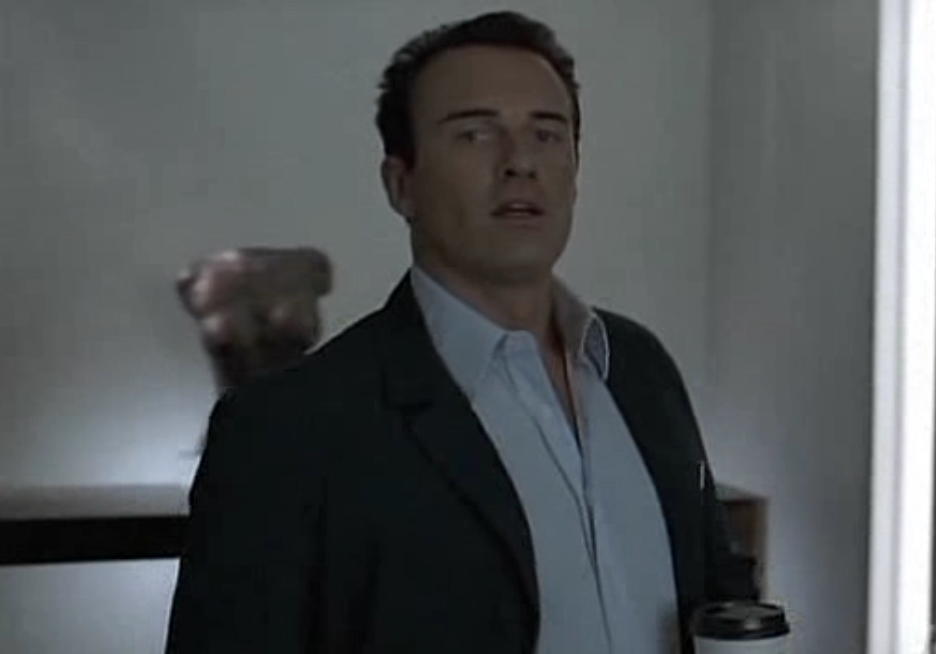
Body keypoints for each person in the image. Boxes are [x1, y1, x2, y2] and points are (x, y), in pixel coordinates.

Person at [164, 10, 757, 654]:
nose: (520, 162)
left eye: (547, 134)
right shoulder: (286, 430)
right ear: (402, 185)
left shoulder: (639, 367)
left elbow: (718, 586)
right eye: (476, 134)